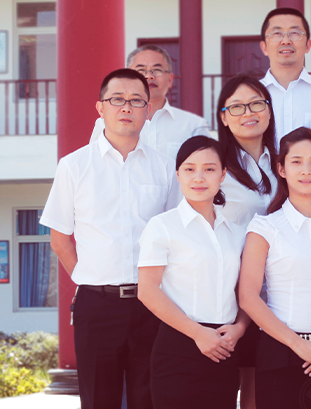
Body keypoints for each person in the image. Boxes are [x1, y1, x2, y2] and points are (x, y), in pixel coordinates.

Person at [40, 69, 181, 409]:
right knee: (98, 400)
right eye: (117, 99)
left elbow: (176, 237)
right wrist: (89, 278)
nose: (126, 107)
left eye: (136, 100)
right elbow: (60, 239)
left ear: (148, 110)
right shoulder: (74, 166)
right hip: (97, 306)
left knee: (150, 399)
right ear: (100, 108)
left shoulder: (165, 168)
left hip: (152, 303)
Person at [238, 128, 311, 409]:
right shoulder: (265, 227)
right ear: (281, 169)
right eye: (296, 161)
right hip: (279, 353)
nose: (306, 170)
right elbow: (248, 297)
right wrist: (299, 345)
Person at [138, 136, 249, 408]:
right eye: (189, 169)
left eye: (209, 169)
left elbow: (246, 292)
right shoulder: (162, 226)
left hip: (225, 346)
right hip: (179, 345)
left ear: (223, 174)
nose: (199, 177)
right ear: (178, 174)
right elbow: (147, 291)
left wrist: (240, 328)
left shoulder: (236, 233)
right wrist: (198, 334)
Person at [217, 73, 278, 408]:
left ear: (269, 111)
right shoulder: (214, 167)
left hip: (277, 293)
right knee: (228, 384)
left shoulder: (285, 162)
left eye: (256, 104)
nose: (248, 112)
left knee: (262, 386)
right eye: (237, 107)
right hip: (228, 292)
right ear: (224, 117)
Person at [90, 45, 210, 159]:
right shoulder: (105, 123)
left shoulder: (193, 125)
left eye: (157, 70)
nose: (149, 76)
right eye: (141, 70)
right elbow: (94, 163)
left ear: (170, 79)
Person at [259, 7, 311, 142]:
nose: (286, 41)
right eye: (277, 33)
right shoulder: (252, 94)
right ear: (264, 47)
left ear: (308, 45)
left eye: (294, 33)